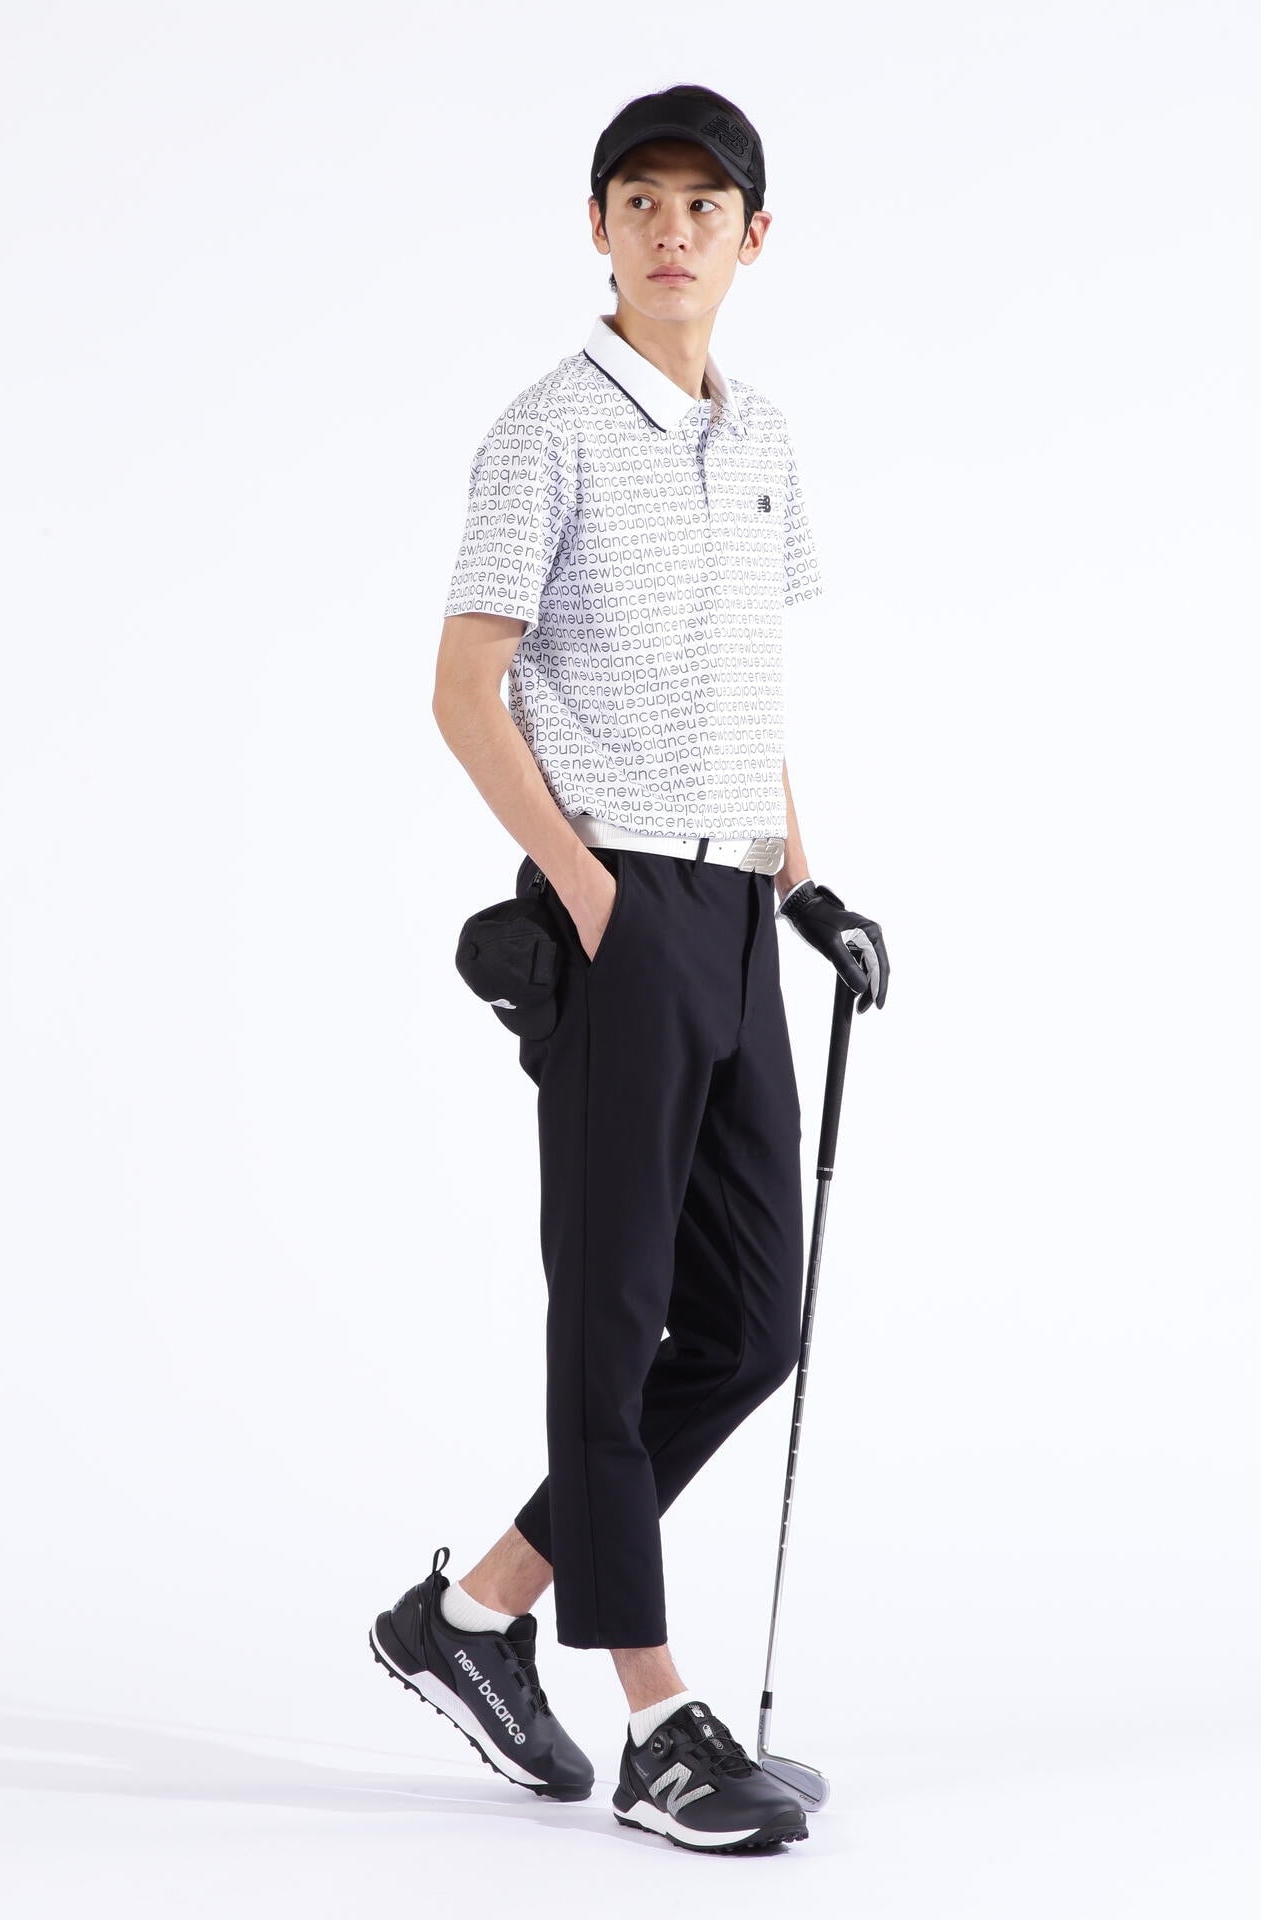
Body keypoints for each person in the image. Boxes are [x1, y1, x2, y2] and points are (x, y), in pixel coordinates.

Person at [369, 83, 890, 1855]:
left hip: (736, 910)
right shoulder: (546, 433)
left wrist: (806, 889)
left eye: (705, 204)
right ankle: (658, 1720)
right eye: (641, 200)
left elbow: (745, 695)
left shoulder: (766, 438)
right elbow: (465, 688)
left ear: (755, 237)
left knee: (749, 1324)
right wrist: (592, 898)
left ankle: (469, 1617)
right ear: (597, 228)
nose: (673, 230)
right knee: (610, 1324)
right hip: (624, 914)